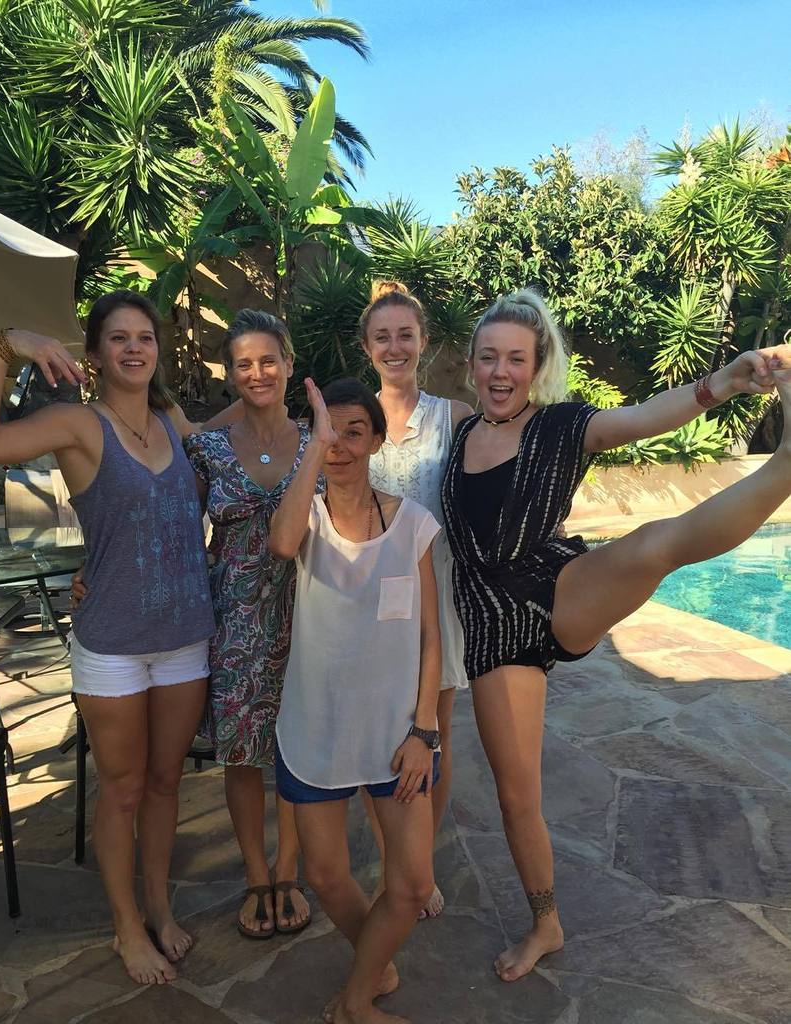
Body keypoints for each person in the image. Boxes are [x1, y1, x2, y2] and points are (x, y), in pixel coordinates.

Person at [440, 288, 791, 983]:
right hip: (492, 630)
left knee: (656, 543)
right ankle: (546, 922)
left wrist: (725, 381)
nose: (501, 372)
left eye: (516, 358)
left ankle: (786, 465)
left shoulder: (560, 425)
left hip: (557, 589)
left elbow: (642, 417)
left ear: (536, 365)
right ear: (472, 364)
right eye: (489, 358)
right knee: (515, 796)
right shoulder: (456, 433)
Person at [0, 291, 230, 985]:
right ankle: (126, 927)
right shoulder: (79, 424)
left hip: (184, 636)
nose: (134, 348)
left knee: (166, 782)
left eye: (144, 336)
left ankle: (158, 905)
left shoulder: (174, 423)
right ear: (94, 355)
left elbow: (226, 456)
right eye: (118, 338)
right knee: (121, 788)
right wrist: (6, 347)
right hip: (113, 643)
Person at [269, 377, 442, 1024]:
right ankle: (372, 972)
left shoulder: (412, 523)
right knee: (325, 875)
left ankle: (354, 1001)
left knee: (412, 885)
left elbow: (430, 637)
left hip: (396, 736)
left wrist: (424, 731)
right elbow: (280, 544)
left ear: (375, 441)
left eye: (352, 432)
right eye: (326, 434)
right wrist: (312, 450)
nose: (338, 446)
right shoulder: (306, 516)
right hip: (315, 727)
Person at [182, 310, 312, 939]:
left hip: (308, 614)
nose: (257, 373)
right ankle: (257, 875)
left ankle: (288, 870)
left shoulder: (319, 440)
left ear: (288, 363)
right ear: (231, 374)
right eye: (243, 364)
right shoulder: (207, 449)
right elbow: (174, 530)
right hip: (233, 619)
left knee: (296, 748)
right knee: (240, 754)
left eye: (268, 360)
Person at [360, 281, 473, 919]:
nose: (395, 346)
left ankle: (419, 865)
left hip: (441, 593)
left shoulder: (454, 416)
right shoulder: (355, 417)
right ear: (367, 347)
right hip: (371, 601)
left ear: (424, 342)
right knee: (378, 735)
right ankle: (390, 865)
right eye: (383, 336)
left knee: (435, 735)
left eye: (406, 334)